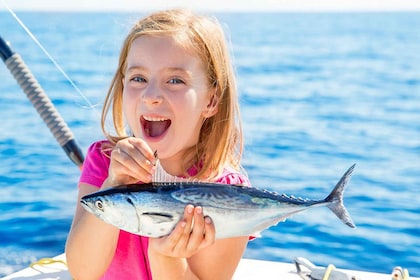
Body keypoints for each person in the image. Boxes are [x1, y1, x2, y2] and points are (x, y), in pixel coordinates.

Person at [65, 9, 251, 280]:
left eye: (175, 80)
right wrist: (112, 187)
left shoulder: (229, 193)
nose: (151, 96)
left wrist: (166, 259)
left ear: (211, 101)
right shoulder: (104, 161)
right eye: (138, 78)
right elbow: (82, 272)